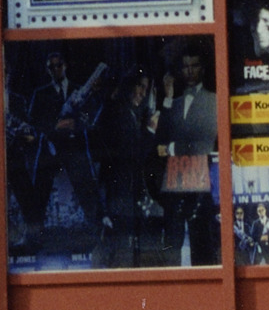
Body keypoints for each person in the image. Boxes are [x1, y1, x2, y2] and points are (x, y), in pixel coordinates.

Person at [26, 49, 109, 243]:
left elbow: (91, 116)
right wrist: (55, 126)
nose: (56, 69)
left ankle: (98, 232)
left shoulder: (79, 90)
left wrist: (76, 123)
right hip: (50, 147)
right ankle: (33, 235)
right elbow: (33, 121)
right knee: (39, 191)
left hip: (74, 146)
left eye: (59, 65)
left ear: (65, 66)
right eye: (51, 67)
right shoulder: (40, 94)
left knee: (87, 189)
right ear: (47, 70)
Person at [157, 47, 219, 263]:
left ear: (202, 69)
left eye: (194, 66)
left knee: (201, 241)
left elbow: (205, 142)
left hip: (198, 180)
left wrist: (172, 149)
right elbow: (160, 138)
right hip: (175, 181)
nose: (190, 71)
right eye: (185, 67)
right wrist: (168, 97)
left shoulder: (212, 100)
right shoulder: (174, 103)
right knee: (172, 242)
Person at [100, 67, 162, 267]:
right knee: (122, 253)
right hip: (121, 195)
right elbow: (132, 155)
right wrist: (150, 130)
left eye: (146, 89)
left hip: (127, 195)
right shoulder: (119, 113)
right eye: (139, 86)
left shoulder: (132, 113)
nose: (142, 93)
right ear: (129, 86)